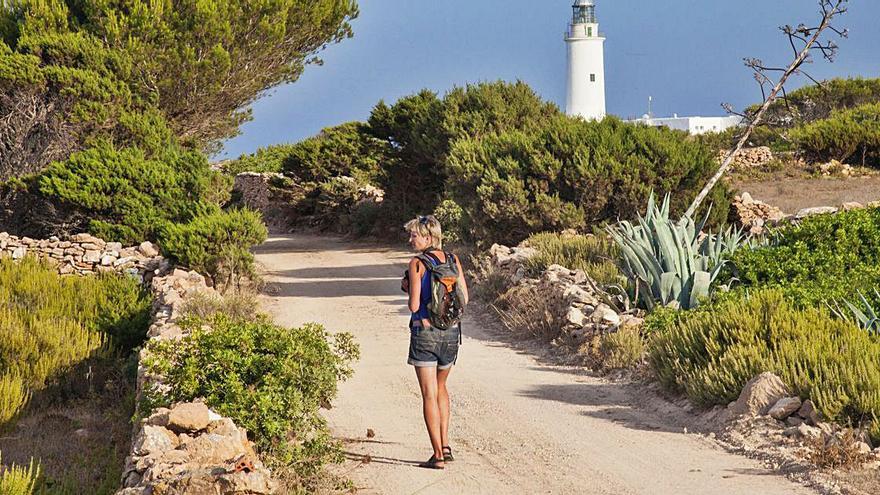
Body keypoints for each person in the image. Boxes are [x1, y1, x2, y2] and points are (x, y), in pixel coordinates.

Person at [401, 215, 468, 470]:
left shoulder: (417, 264)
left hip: (425, 333)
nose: (410, 239)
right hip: (451, 334)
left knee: (428, 394)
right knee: (441, 389)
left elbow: (414, 305)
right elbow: (466, 298)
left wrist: (409, 286)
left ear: (428, 237)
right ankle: (447, 445)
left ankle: (437, 455)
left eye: (414, 235)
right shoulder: (453, 259)